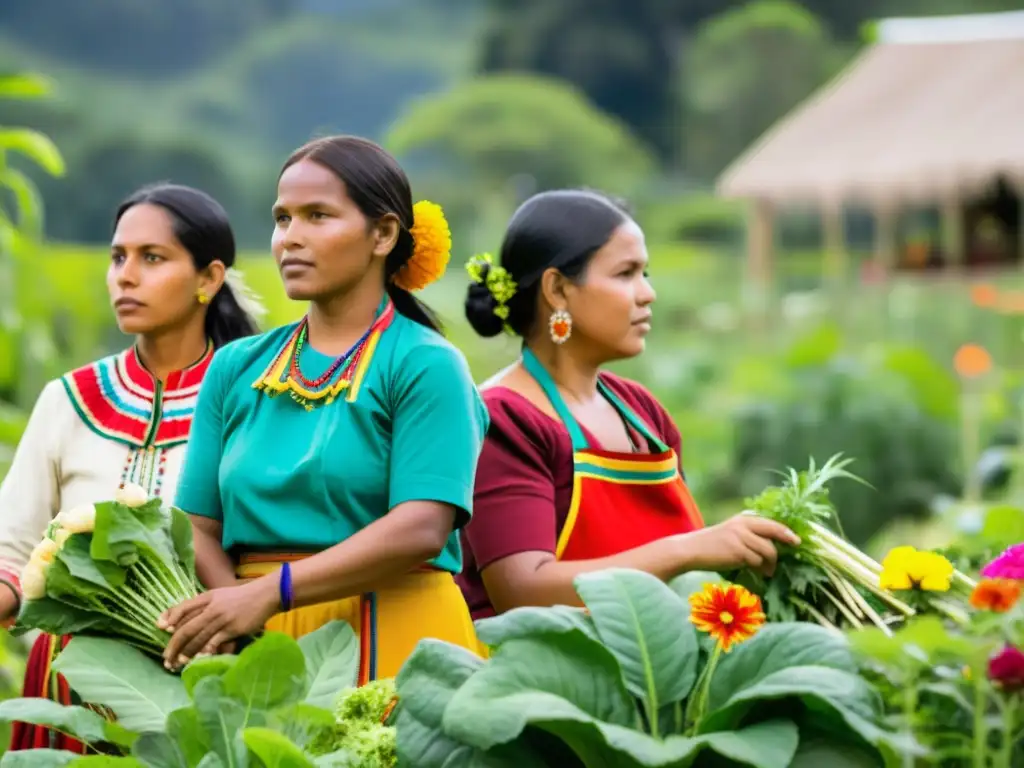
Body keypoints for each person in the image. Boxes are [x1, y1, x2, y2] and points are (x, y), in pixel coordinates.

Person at [159, 136, 488, 682]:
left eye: (317, 216)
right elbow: (197, 524)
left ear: (382, 234)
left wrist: (273, 592)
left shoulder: (427, 364)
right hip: (259, 638)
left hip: (399, 635)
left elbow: (421, 527)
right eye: (282, 218)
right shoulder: (235, 367)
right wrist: (237, 616)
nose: (290, 239)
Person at [0, 183, 262, 751]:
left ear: (208, 278)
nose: (126, 275)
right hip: (71, 684)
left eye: (153, 258)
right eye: (118, 257)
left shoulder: (253, 401)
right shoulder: (69, 400)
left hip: (204, 675)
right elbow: (12, 550)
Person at [456, 189, 800, 620]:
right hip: (545, 679)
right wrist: (685, 550)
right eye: (626, 274)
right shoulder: (505, 419)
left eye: (646, 273)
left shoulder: (641, 413)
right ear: (558, 289)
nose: (647, 294)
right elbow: (523, 591)